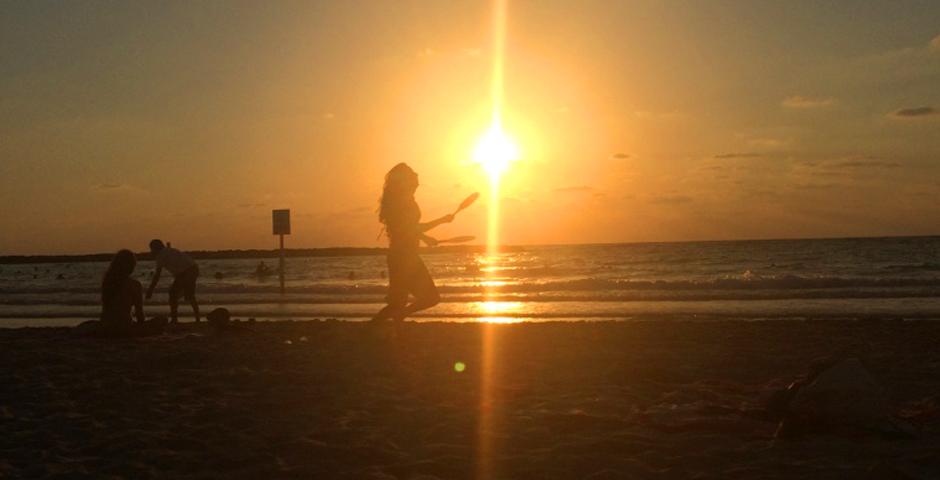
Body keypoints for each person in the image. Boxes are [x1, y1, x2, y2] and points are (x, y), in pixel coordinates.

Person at [372, 163, 453, 321]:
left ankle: (374, 333)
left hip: (401, 256)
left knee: (397, 303)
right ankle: (377, 330)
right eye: (412, 174)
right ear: (406, 180)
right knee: (430, 298)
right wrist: (441, 221)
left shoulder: (403, 201)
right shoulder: (403, 202)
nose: (416, 176)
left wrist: (424, 236)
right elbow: (410, 228)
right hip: (405, 258)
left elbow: (409, 228)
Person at [84, 249, 166, 336]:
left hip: (106, 326)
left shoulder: (108, 282)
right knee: (162, 320)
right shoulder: (134, 284)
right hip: (124, 327)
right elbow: (139, 314)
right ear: (131, 266)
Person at [146, 239, 201, 323]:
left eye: (152, 249)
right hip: (193, 268)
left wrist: (150, 290)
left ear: (156, 248)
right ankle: (197, 318)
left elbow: (157, 275)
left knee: (174, 294)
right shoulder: (169, 250)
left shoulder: (160, 256)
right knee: (189, 295)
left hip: (186, 271)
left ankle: (175, 319)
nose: (151, 251)